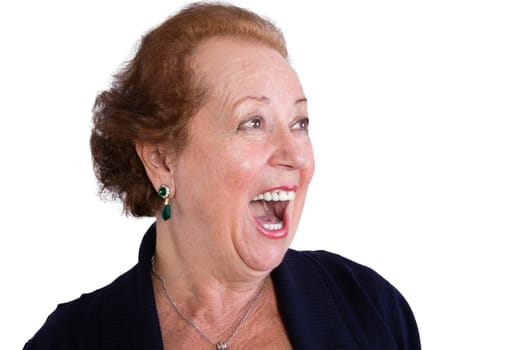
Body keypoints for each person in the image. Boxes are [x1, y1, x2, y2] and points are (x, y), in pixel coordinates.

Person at [24, 3, 420, 349]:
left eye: (299, 122)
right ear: (161, 160)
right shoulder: (72, 339)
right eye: (252, 122)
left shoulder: (370, 307)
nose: (294, 156)